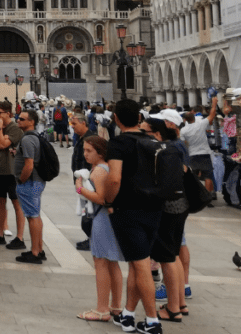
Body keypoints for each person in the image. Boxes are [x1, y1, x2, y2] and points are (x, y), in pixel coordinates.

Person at [104, 99, 164, 334]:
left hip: (128, 210)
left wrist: (109, 201)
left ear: (117, 119)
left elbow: (115, 178)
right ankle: (128, 314)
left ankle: (152, 321)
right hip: (154, 208)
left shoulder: (118, 143)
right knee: (137, 263)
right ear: (140, 118)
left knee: (141, 266)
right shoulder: (154, 141)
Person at [144, 114, 190, 323]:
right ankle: (179, 302)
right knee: (174, 256)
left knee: (167, 258)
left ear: (157, 133)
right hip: (179, 205)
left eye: (145, 132)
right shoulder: (173, 147)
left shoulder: (164, 150)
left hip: (168, 208)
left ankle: (173, 309)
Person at [73, 135, 124, 322]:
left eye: (89, 151)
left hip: (103, 219)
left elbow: (101, 198)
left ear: (100, 152)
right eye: (84, 150)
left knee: (101, 263)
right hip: (109, 219)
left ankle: (102, 309)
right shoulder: (104, 168)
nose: (85, 154)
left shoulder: (100, 171)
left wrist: (79, 188)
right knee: (111, 262)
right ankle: (116, 306)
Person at [0, 100, 26, 249]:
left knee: (16, 203)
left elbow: (2, 144)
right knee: (0, 203)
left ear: (8, 113)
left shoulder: (15, 128)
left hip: (12, 172)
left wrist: (1, 136)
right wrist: (0, 142)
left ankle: (19, 237)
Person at [14, 110, 46, 264]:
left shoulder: (27, 140)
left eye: (21, 119)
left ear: (31, 122)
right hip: (37, 181)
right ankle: (39, 249)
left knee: (32, 217)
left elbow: (29, 165)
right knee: (36, 216)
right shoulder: (35, 137)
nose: (18, 120)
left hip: (30, 182)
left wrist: (21, 180)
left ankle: (34, 253)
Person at [179, 96, 217, 194]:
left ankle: (196, 195)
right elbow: (212, 114)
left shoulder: (183, 130)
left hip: (192, 154)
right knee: (208, 176)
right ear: (194, 118)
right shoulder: (201, 124)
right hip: (204, 153)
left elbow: (184, 144)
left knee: (194, 176)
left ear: (185, 120)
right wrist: (214, 103)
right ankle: (208, 197)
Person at [71, 111, 97, 251]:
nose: (72, 127)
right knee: (86, 213)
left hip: (89, 183)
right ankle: (90, 239)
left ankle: (92, 240)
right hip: (83, 182)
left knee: (88, 215)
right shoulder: (83, 137)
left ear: (83, 123)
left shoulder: (91, 138)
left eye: (74, 124)